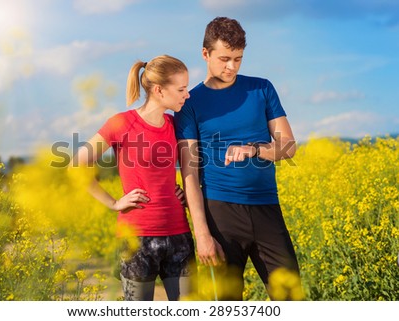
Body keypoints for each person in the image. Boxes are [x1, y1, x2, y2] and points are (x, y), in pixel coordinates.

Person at [174, 17, 300, 300]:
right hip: (220, 213)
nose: (231, 67)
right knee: (228, 305)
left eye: (238, 59)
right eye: (224, 59)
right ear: (205, 54)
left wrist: (254, 149)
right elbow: (190, 174)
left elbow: (288, 146)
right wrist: (203, 235)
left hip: (267, 206)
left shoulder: (262, 89)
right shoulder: (188, 104)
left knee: (292, 299)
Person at [72, 55, 195, 301]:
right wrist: (114, 203)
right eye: (181, 89)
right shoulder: (121, 124)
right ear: (159, 90)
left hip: (179, 234)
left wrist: (180, 191)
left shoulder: (176, 125)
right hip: (136, 238)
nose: (187, 94)